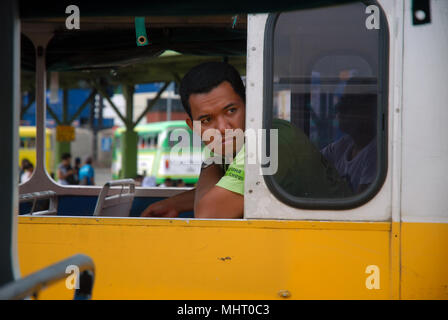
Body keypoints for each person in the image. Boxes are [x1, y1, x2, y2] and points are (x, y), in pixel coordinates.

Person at [141, 62, 350, 219]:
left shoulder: (270, 141)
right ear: (192, 127)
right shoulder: (238, 144)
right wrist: (174, 204)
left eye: (231, 111)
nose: (223, 128)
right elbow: (233, 189)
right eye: (207, 120)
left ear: (249, 104)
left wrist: (211, 160)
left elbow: (209, 214)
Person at [321, 90, 377, 193]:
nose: (339, 112)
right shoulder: (345, 144)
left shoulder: (376, 153)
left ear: (366, 113)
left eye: (346, 108)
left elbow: (362, 203)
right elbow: (314, 159)